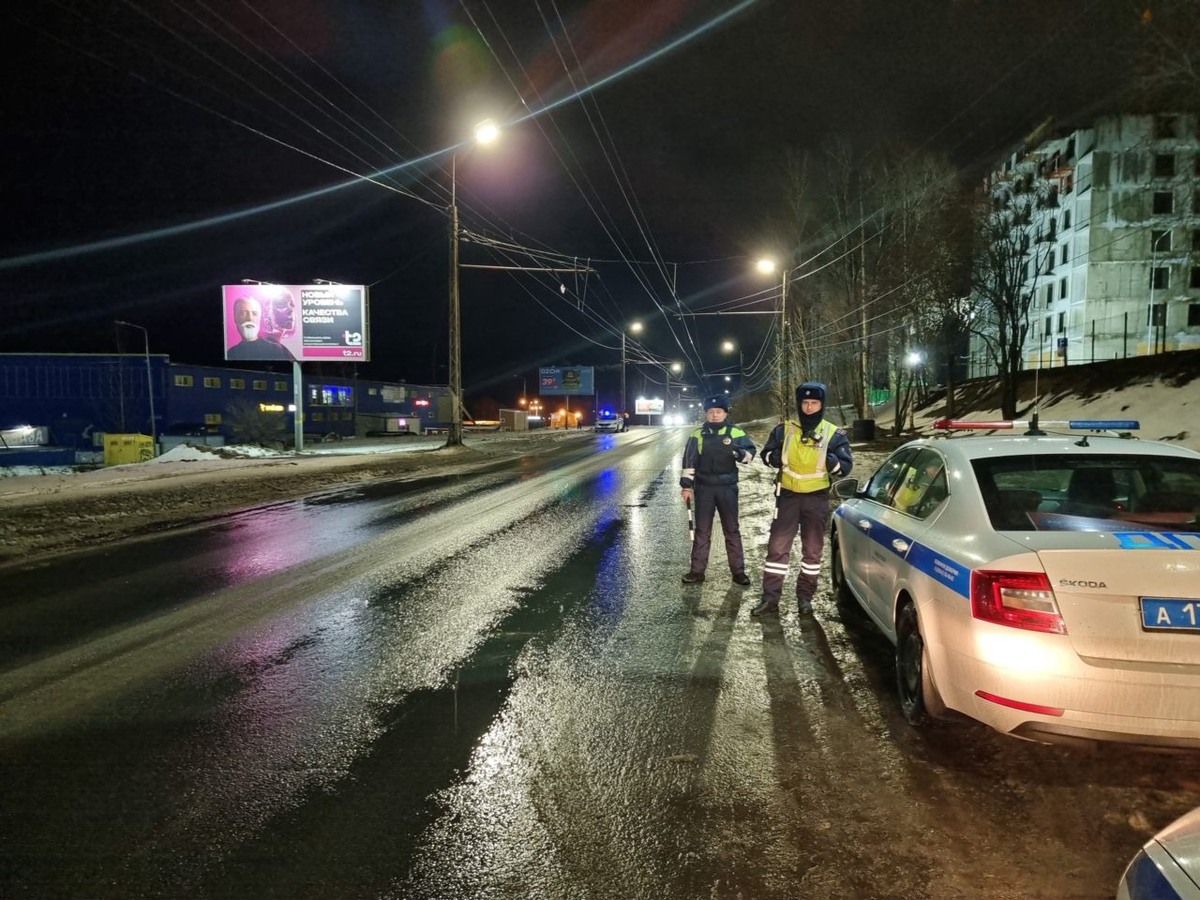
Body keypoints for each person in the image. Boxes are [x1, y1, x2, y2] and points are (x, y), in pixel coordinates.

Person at [751, 381, 853, 617]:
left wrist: (828, 458)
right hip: (787, 497)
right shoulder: (784, 429)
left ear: (822, 405)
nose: (808, 407)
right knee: (777, 549)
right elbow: (766, 454)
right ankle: (770, 599)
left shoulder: (833, 434)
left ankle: (805, 598)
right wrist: (774, 457)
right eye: (805, 402)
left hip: (816, 499)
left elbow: (845, 468)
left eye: (814, 403)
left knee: (812, 552)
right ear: (799, 404)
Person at [679, 394, 757, 586]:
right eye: (711, 412)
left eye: (718, 411)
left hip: (727, 488)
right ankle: (697, 572)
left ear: (725, 413)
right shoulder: (697, 434)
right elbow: (689, 461)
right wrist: (687, 486)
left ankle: (738, 572)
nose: (714, 415)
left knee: (732, 530)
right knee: (702, 531)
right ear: (706, 414)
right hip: (704, 488)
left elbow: (750, 454)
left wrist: (739, 453)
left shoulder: (735, 432)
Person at [227, 295, 295, 361]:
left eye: (255, 314)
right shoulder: (230, 354)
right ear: (235, 318)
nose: (250, 318)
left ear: (260, 318)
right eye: (243, 313)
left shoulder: (278, 350)